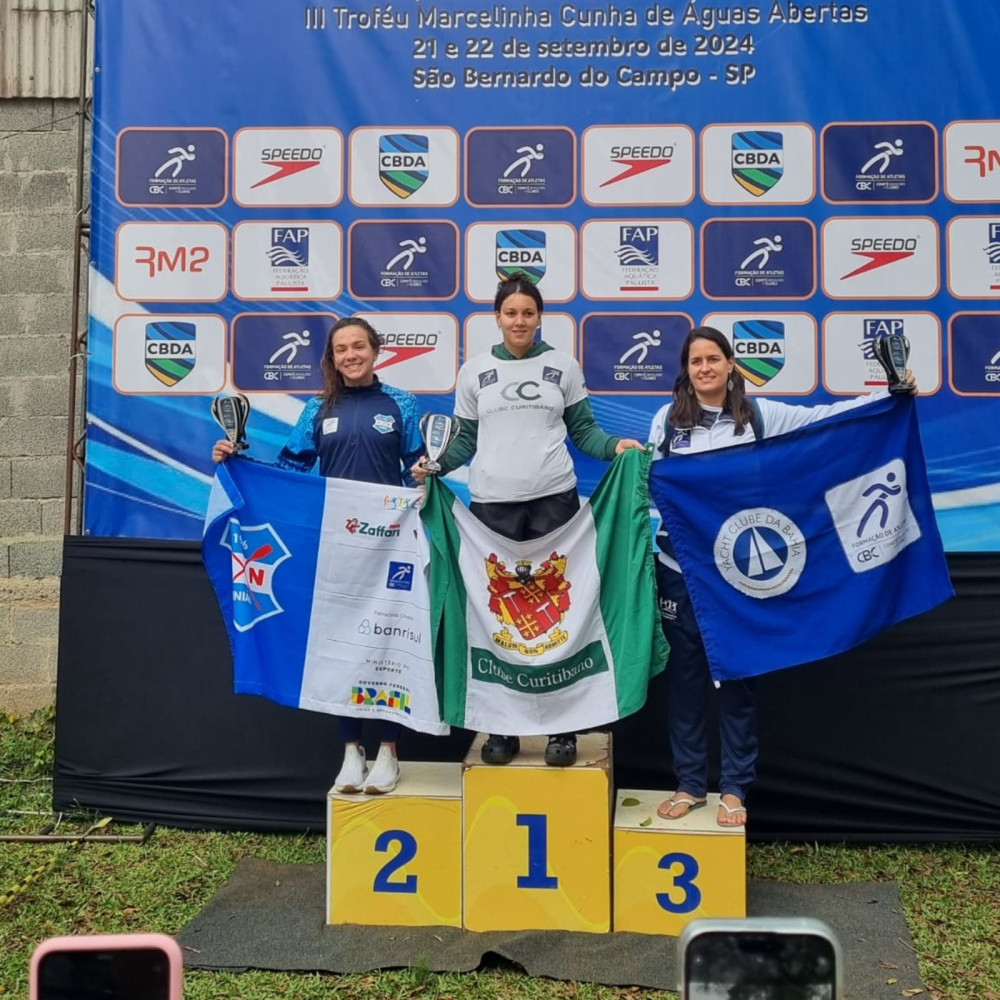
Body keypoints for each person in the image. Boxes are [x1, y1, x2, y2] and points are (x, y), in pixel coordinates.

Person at [648, 325, 917, 827]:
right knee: (684, 683)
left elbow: (828, 420)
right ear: (685, 371)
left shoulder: (760, 416)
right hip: (677, 571)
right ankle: (688, 783)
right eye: (695, 361)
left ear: (731, 365)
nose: (704, 368)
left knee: (736, 678)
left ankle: (733, 789)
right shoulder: (666, 422)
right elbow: (653, 490)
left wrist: (888, 395)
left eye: (713, 358)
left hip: (737, 575)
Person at [412, 273, 644, 767]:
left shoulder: (563, 366)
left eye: (528, 312)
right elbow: (466, 442)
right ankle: (501, 729)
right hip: (490, 509)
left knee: (561, 616)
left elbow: (584, 432)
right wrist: (436, 466)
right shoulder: (473, 372)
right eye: (510, 313)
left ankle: (565, 732)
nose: (519, 321)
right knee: (498, 621)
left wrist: (615, 447)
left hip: (555, 505)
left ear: (540, 317)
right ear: (496, 318)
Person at [212, 316, 424, 795]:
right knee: (342, 645)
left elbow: (416, 465)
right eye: (341, 349)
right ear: (332, 358)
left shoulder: (402, 404)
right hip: (335, 543)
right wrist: (238, 460)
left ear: (376, 351)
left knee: (387, 642)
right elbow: (290, 467)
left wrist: (426, 475)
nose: (350, 355)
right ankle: (351, 752)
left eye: (358, 347)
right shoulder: (316, 409)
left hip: (389, 544)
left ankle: (388, 751)